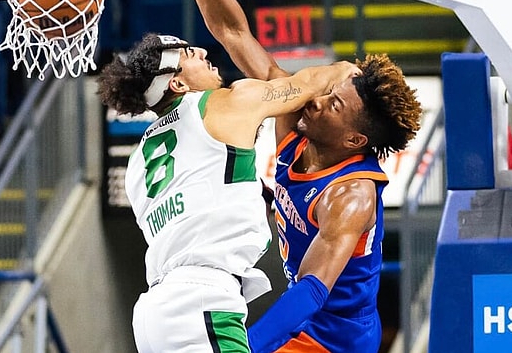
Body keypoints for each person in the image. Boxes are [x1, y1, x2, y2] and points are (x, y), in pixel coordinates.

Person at [141, 0, 423, 352]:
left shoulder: (352, 194)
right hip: (297, 322)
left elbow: (311, 290)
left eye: (333, 104)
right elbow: (234, 34)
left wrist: (252, 346)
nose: (317, 99)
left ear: (354, 139)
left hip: (334, 342)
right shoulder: (298, 125)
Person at [97, 32, 358, 349]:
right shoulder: (224, 103)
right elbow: (307, 85)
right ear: (177, 84)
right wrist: (346, 71)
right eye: (188, 53)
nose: (202, 51)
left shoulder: (138, 162)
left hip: (155, 311)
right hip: (202, 301)